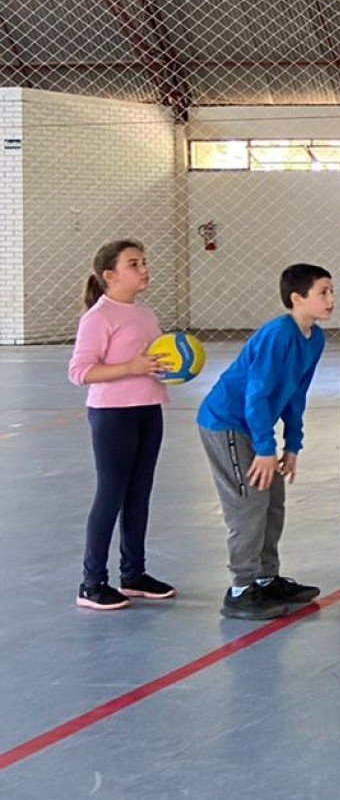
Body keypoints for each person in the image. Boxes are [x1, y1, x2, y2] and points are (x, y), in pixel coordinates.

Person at [196, 264, 332, 621]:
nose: (331, 299)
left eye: (332, 292)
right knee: (249, 502)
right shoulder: (278, 334)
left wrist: (293, 444)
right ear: (297, 298)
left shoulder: (314, 338)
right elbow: (256, 395)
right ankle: (240, 590)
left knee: (273, 501)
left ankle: (266, 579)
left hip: (254, 427)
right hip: (227, 422)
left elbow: (295, 394)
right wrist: (264, 449)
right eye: (324, 292)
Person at [67, 240, 176, 611]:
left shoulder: (145, 313)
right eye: (134, 264)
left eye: (144, 261)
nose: (144, 268)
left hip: (149, 409)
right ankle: (91, 582)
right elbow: (80, 371)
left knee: (139, 493)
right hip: (113, 415)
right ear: (110, 275)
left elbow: (153, 359)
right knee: (111, 494)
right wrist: (130, 368)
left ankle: (133, 575)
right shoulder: (99, 317)